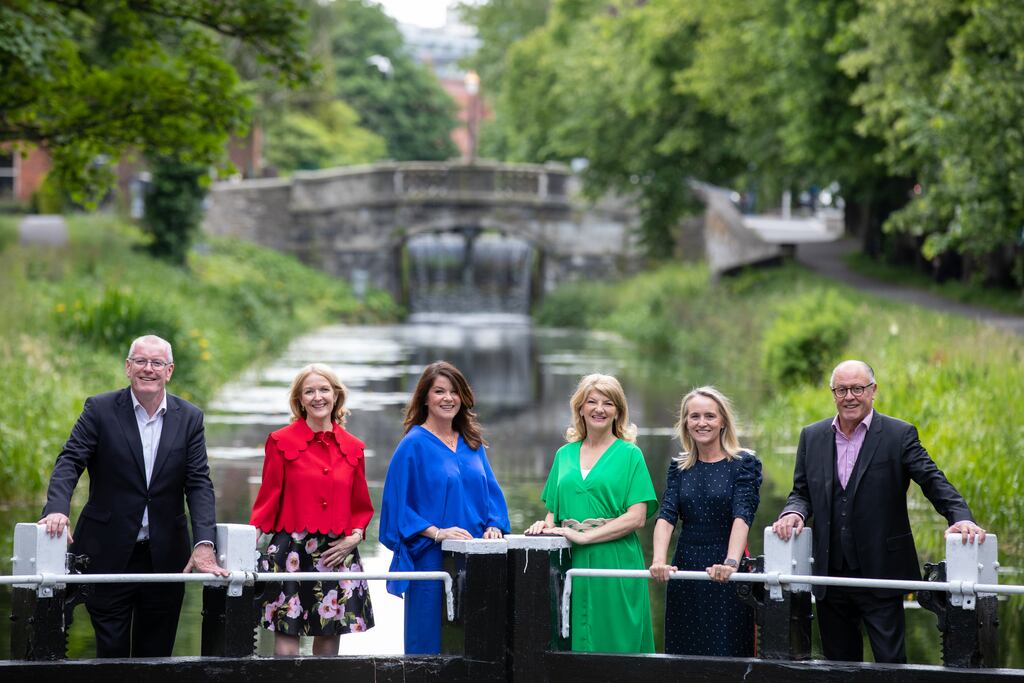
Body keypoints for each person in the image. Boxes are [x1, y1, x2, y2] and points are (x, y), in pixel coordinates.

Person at [772, 359, 986, 663]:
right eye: (842, 389)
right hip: (830, 576)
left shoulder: (899, 435)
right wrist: (793, 512)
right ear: (833, 393)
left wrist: (960, 516)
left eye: (857, 388)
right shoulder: (812, 436)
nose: (850, 396)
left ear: (873, 391)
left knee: (890, 666)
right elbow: (801, 491)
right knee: (839, 668)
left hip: (881, 573)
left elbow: (931, 479)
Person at [39, 334, 228, 657]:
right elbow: (71, 460)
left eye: (157, 363)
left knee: (156, 655)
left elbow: (198, 483)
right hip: (107, 550)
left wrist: (204, 543)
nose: (148, 369)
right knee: (111, 651)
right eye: (140, 361)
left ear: (169, 371)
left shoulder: (190, 418)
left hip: (166, 555)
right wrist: (58, 508)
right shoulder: (100, 409)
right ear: (128, 367)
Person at [379, 361, 510, 654]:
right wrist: (437, 532)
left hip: (474, 557)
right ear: (425, 397)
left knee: (474, 644)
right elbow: (396, 509)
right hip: (431, 562)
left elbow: (491, 494)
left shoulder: (472, 443)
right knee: (429, 646)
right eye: (439, 391)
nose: (447, 398)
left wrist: (493, 525)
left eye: (454, 392)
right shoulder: (412, 445)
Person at [526, 373, 657, 653]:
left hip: (615, 558)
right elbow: (554, 514)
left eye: (608, 403)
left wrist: (587, 537)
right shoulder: (564, 455)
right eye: (592, 402)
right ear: (580, 409)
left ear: (618, 411)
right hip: (570, 561)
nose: (599, 409)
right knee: (570, 641)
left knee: (617, 643)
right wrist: (544, 525)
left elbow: (637, 517)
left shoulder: (630, 455)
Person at [249, 363, 374, 655]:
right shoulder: (280, 442)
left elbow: (361, 506)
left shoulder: (354, 447)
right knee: (287, 649)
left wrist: (355, 537)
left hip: (337, 551)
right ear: (300, 400)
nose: (318, 397)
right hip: (291, 551)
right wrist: (243, 546)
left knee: (328, 647)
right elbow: (267, 501)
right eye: (309, 391)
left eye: (324, 389)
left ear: (336, 396)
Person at [649, 387, 762, 656]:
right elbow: (666, 516)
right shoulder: (679, 467)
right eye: (695, 416)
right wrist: (658, 560)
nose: (702, 423)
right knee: (684, 651)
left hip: (724, 568)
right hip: (686, 567)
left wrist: (731, 563)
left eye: (710, 416)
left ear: (723, 421)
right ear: (685, 423)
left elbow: (742, 515)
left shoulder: (743, 463)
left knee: (726, 650)